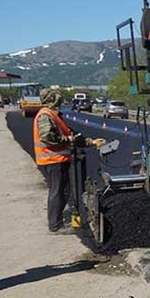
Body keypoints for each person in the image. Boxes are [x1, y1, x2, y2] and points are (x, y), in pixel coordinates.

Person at [33, 88, 103, 233]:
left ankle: (57, 221)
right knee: (57, 191)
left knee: (64, 191)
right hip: (52, 160)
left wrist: (91, 142)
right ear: (52, 99)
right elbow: (46, 136)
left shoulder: (54, 115)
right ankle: (55, 225)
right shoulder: (45, 115)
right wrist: (66, 140)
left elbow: (73, 135)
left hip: (59, 159)